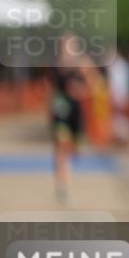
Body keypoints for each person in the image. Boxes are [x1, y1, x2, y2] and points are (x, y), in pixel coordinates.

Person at [50, 33, 99, 204]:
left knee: (73, 151)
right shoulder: (58, 65)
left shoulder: (83, 64)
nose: (67, 48)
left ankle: (65, 182)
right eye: (65, 45)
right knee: (61, 150)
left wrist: (82, 88)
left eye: (71, 45)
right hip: (61, 111)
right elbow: (54, 88)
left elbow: (93, 85)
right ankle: (62, 186)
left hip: (76, 113)